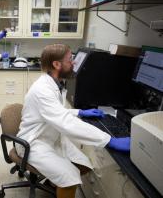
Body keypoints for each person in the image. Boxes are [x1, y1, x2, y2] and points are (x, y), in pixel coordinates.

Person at [15, 44, 131, 198]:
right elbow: (64, 121)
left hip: (50, 136)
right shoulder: (42, 89)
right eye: (70, 59)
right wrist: (108, 140)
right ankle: (61, 184)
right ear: (56, 64)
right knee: (70, 177)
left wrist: (80, 112)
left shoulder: (54, 84)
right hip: (33, 142)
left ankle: (53, 185)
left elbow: (55, 112)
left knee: (85, 165)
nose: (74, 63)